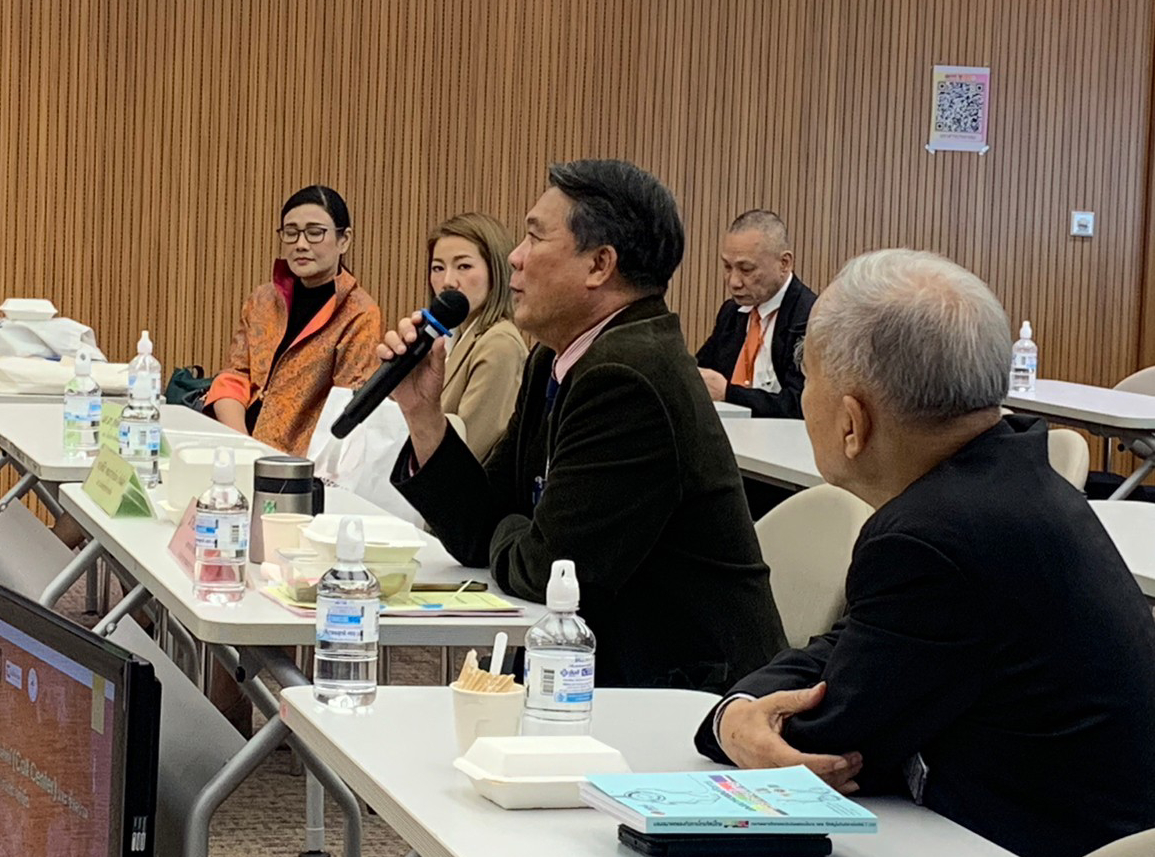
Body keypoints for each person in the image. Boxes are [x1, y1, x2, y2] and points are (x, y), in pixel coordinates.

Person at [693, 249, 1155, 857]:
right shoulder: (1011, 475)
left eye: (811, 383)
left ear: (852, 421)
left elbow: (828, 749)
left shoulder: (931, 537)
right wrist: (742, 711)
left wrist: (733, 723)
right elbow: (850, 647)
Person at [383, 159, 787, 692]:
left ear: (599, 264)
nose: (515, 258)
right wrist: (423, 415)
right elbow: (483, 527)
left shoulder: (628, 375)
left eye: (535, 237)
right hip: (602, 670)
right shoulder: (555, 359)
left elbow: (549, 570)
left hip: (686, 695)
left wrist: (517, 530)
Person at [205, 185, 382, 457]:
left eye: (315, 232)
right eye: (291, 232)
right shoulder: (263, 299)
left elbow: (346, 410)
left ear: (344, 240)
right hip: (237, 444)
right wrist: (242, 445)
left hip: (301, 461)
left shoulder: (359, 313)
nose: (300, 244)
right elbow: (235, 374)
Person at [426, 213, 528, 462]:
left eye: (464, 266)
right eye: (438, 268)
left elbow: (466, 453)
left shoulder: (499, 344)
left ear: (496, 272)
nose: (448, 282)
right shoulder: (449, 339)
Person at [695, 210, 816, 419]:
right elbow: (702, 371)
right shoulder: (731, 313)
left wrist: (729, 394)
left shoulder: (811, 317)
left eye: (746, 269)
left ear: (784, 263)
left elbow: (801, 405)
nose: (734, 282)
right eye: (727, 267)